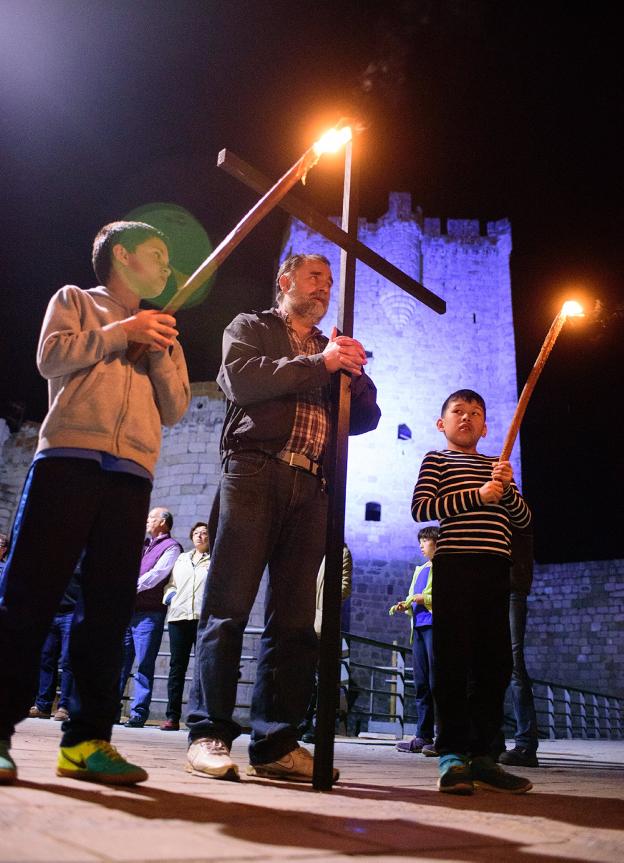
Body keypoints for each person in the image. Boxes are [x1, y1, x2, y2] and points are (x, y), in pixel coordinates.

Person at [0, 220, 190, 786]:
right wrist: (119, 332)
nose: (166, 266)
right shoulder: (76, 300)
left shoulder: (166, 333)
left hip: (131, 472)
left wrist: (154, 349)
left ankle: (87, 741)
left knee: (108, 609)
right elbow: (51, 358)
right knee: (29, 594)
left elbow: (176, 407)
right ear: (122, 255)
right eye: (157, 254)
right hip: (67, 459)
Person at [185, 253, 380, 783]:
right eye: (315, 276)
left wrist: (355, 374)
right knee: (227, 607)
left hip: (314, 485)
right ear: (285, 280)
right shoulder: (251, 327)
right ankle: (209, 733)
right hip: (254, 471)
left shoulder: (328, 346)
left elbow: (365, 418)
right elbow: (242, 381)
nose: (324, 287)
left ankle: (274, 742)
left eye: (329, 281)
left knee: (294, 622)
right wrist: (322, 366)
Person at [412, 389, 533, 795]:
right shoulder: (437, 459)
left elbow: (523, 519)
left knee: (494, 662)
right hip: (456, 566)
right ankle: (451, 754)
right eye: (457, 412)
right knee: (452, 660)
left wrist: (507, 488)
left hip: (495, 567)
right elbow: (422, 508)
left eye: (475, 413)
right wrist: (478, 495)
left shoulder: (495, 466)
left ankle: (483, 756)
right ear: (441, 423)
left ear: (485, 426)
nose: (466, 418)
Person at [119, 507, 182, 727]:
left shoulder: (171, 547)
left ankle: (138, 713)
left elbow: (157, 575)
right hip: (128, 611)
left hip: (149, 614)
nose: (147, 521)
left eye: (151, 518)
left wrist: (130, 587)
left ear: (163, 522)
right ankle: (111, 709)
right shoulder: (143, 545)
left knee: (144, 664)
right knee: (120, 661)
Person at [494, 525, 540, 767]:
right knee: (493, 667)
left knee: (513, 666)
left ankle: (525, 745)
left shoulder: (515, 509)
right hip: (496, 592)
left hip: (510, 591)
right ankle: (493, 741)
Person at [390, 525, 438, 754]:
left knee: (436, 682)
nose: (421, 545)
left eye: (425, 541)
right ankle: (423, 735)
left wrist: (422, 597)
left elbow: (442, 596)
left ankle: (444, 737)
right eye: (420, 541)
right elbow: (413, 598)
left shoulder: (444, 567)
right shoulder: (420, 570)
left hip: (434, 628)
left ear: (436, 543)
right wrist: (406, 605)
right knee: (421, 684)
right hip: (418, 629)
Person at [159, 521, 211, 731]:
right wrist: (170, 597)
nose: (200, 536)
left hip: (202, 618)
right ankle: (172, 717)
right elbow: (171, 584)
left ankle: (198, 716)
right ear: (191, 537)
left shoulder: (215, 560)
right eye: (196, 533)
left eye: (205, 533)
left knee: (202, 668)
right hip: (179, 617)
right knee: (176, 667)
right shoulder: (181, 559)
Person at [299, 543, 353, 743]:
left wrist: (324, 604)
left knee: (321, 678)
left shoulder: (341, 552)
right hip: (300, 620)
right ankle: (299, 721)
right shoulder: (307, 548)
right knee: (301, 674)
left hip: (321, 622)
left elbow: (344, 586)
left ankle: (317, 725)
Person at [29, 567, 82, 722]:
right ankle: (43, 706)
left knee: (68, 660)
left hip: (72, 613)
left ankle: (64, 707)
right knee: (45, 658)